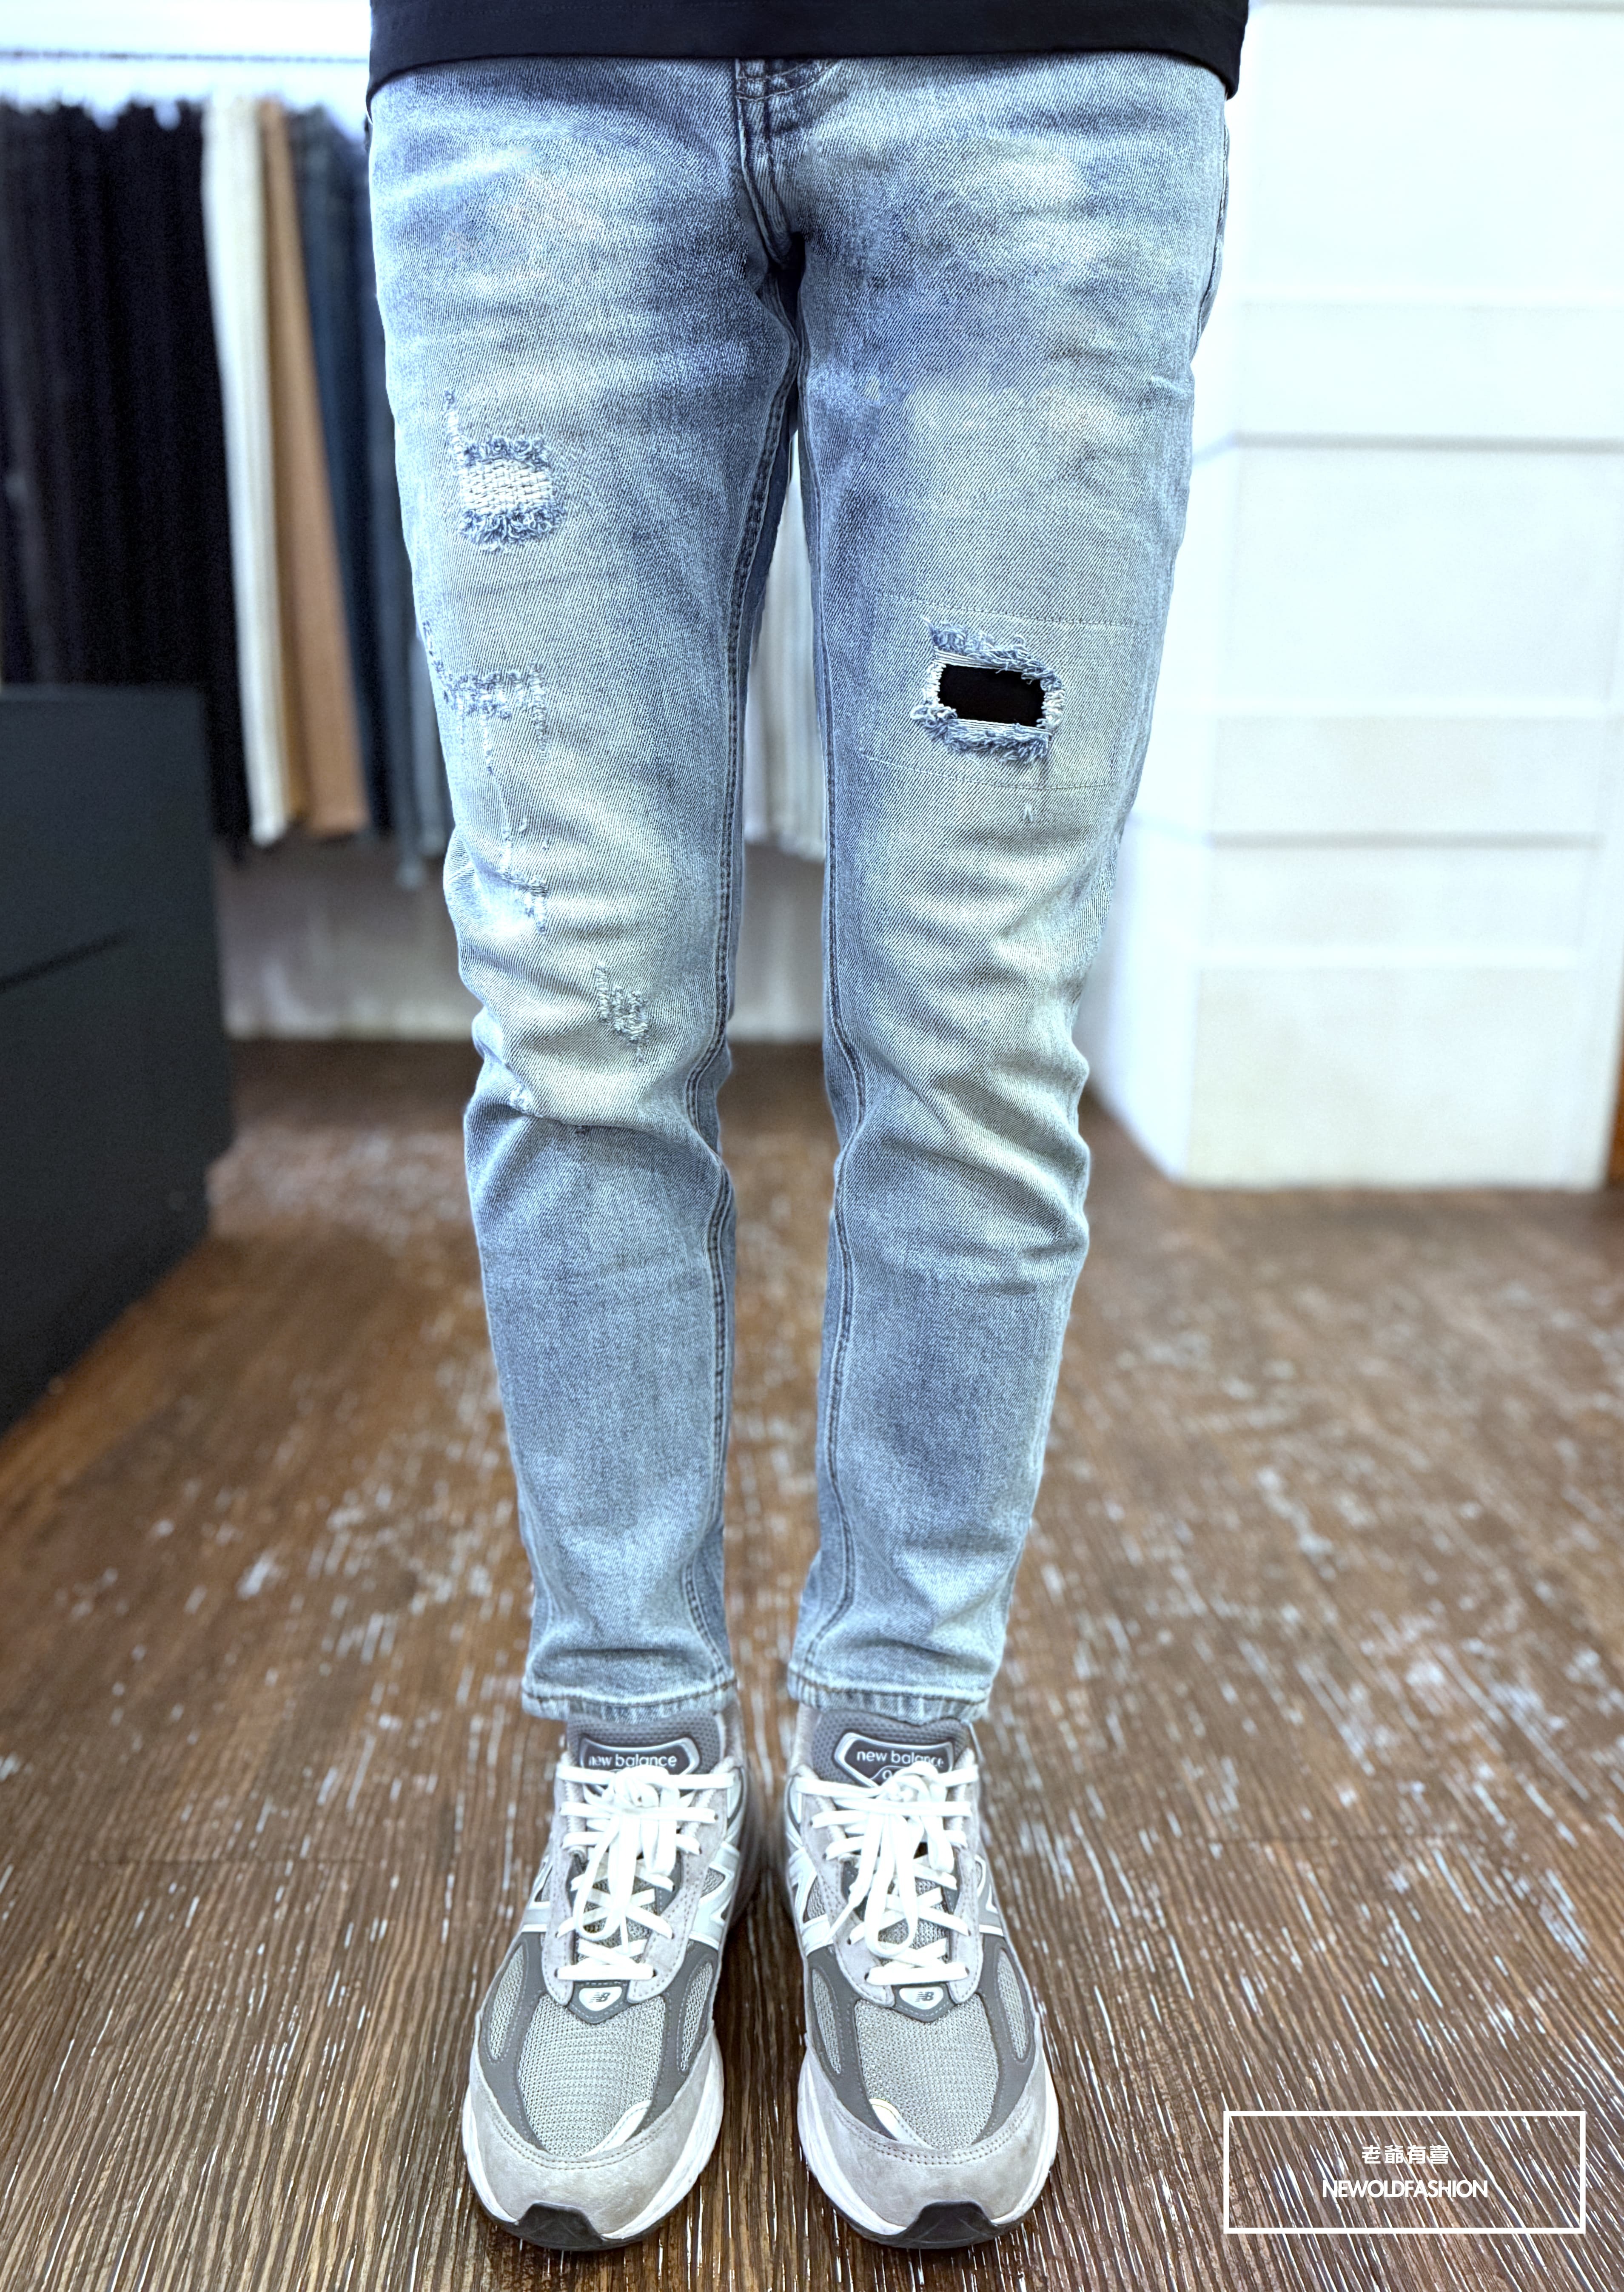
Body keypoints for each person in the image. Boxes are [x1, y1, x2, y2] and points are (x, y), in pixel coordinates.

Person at [367, 0, 1242, 2253]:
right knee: (573, 1015)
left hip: (1055, 76)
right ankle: (641, 1756)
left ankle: (890, 1761)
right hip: (528, 70)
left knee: (977, 1024)